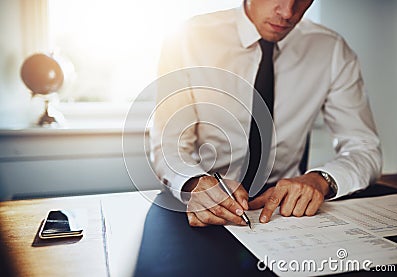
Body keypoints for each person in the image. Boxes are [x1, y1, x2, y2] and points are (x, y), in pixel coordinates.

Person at [150, 0, 382, 227]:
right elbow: (168, 144)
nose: (288, 12)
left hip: (286, 215)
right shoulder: (187, 39)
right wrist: (194, 183)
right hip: (200, 206)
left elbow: (364, 148)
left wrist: (321, 179)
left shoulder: (331, 50)